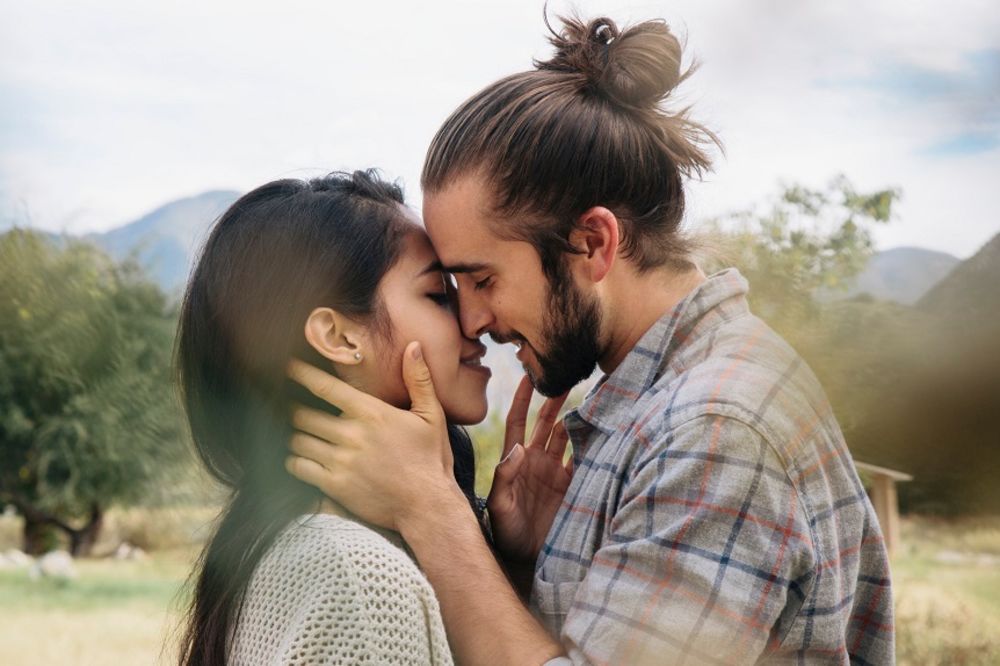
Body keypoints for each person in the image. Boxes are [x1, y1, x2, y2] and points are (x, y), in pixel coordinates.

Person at [285, 15, 895, 666]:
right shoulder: (657, 406)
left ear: (594, 244)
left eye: (483, 279)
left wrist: (430, 511)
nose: (471, 324)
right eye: (450, 290)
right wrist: (528, 566)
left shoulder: (717, 427)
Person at [175, 170, 523, 665]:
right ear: (338, 338)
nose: (474, 322)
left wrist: (515, 565)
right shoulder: (363, 577)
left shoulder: (280, 539)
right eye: (440, 296)